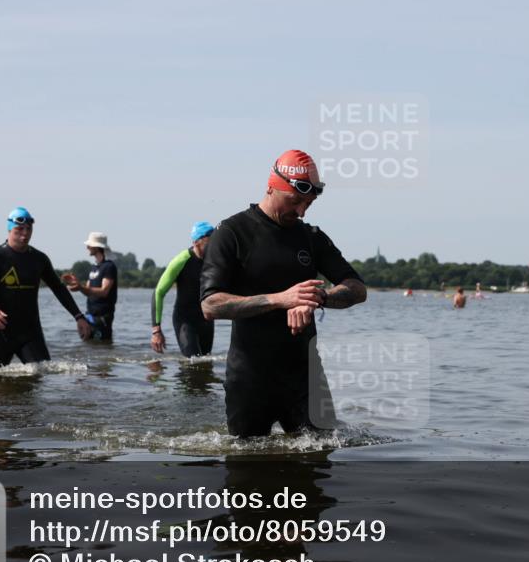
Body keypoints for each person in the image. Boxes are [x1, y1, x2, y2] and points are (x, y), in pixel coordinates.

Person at [201, 150, 367, 438]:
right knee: (248, 472)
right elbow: (210, 305)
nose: (302, 211)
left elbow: (357, 288)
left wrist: (318, 298)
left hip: (305, 377)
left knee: (320, 461)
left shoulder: (311, 236)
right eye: (296, 201)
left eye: (309, 204)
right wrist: (281, 299)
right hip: (250, 377)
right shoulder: (232, 232)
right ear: (272, 186)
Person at [0, 207, 91, 367]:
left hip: (31, 334)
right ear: (9, 229)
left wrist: (78, 316)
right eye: (19, 229)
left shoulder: (39, 259)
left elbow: (58, 289)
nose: (25, 233)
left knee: (40, 378)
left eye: (29, 229)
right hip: (0, 334)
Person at [151, 221, 215, 357]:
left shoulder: (214, 261)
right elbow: (159, 292)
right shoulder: (181, 260)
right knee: (192, 363)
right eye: (210, 241)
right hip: (185, 320)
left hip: (206, 321)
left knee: (205, 364)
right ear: (197, 242)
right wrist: (156, 330)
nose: (214, 245)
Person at [65, 232, 118, 340]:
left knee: (101, 347)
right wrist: (77, 284)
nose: (87, 247)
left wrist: (80, 287)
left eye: (90, 245)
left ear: (98, 247)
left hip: (103, 317)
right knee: (90, 348)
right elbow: (88, 290)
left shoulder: (109, 266)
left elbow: (104, 291)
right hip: (90, 315)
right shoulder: (94, 267)